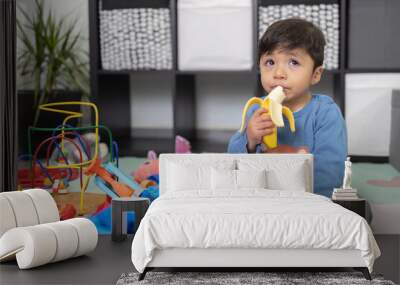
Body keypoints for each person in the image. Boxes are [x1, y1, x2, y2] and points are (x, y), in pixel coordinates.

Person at [227, 18, 347, 197]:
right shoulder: (257, 110)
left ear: (315, 74)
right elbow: (232, 162)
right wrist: (250, 139)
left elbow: (330, 173)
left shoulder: (325, 113)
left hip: (310, 198)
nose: (278, 74)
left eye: (293, 63)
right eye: (270, 62)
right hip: (263, 195)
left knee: (358, 210)